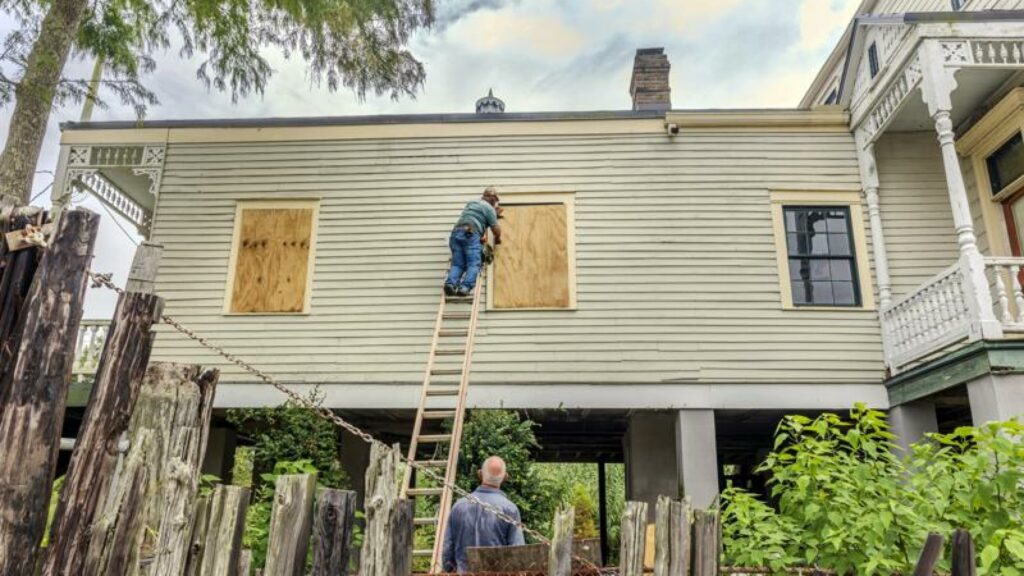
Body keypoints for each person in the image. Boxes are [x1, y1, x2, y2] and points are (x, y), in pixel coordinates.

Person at [441, 455, 525, 573]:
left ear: (480, 474)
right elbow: (517, 552)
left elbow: (447, 549)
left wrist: (448, 570)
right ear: (505, 477)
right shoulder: (510, 509)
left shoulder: (458, 506)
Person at [445, 187, 502, 297]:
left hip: (456, 233)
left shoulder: (472, 203)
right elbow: (496, 230)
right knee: (474, 263)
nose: (495, 202)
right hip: (470, 234)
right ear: (492, 198)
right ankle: (465, 287)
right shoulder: (489, 209)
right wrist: (498, 238)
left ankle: (450, 284)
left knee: (458, 264)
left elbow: (476, 217)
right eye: (495, 200)